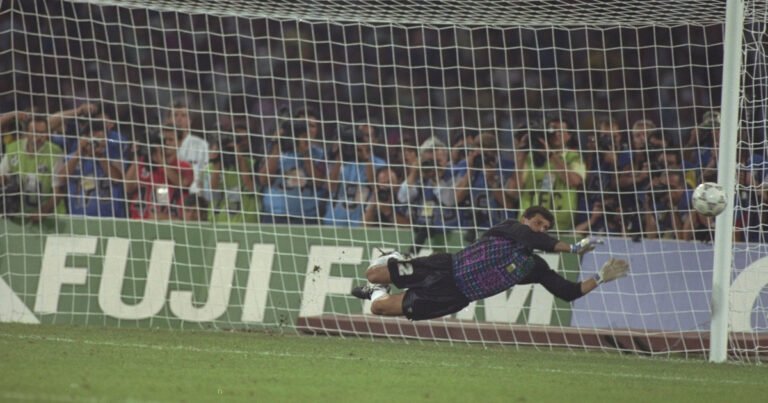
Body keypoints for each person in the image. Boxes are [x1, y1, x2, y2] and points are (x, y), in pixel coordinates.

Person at [351, 205, 629, 321]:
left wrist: (599, 278)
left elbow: (568, 292)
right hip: (444, 267)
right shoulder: (509, 228)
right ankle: (395, 257)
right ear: (525, 220)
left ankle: (376, 292)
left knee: (379, 307)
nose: (541, 229)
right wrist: (574, 247)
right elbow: (534, 238)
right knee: (373, 274)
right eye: (537, 223)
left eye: (546, 227)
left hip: (454, 296)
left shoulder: (534, 267)